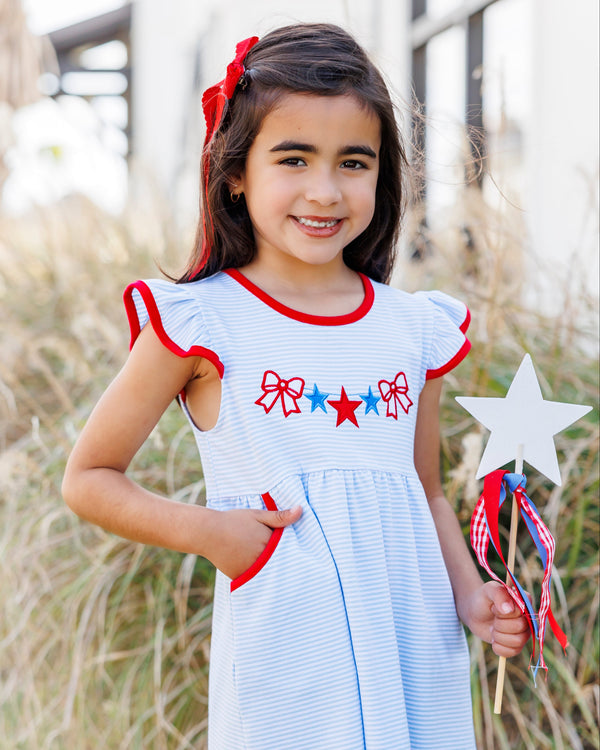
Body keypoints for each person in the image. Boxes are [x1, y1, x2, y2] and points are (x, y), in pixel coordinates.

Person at [62, 23, 529, 749]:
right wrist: (217, 536)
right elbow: (89, 477)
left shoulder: (415, 328)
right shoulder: (201, 322)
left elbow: (425, 488)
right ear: (236, 170)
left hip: (414, 638)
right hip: (289, 642)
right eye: (294, 158)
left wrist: (471, 596)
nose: (325, 190)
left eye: (353, 162)